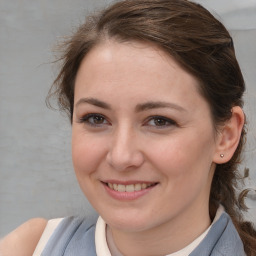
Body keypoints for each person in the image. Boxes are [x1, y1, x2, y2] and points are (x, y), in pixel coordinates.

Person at [1, 0, 255, 255]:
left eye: (159, 121)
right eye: (96, 119)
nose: (121, 157)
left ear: (225, 136)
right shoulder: (28, 247)